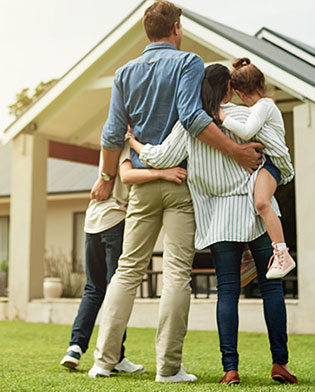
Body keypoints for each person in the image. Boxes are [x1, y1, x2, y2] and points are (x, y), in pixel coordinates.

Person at [88, 1, 262, 382]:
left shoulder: (123, 73)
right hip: (181, 181)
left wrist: (105, 176)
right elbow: (193, 116)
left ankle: (102, 361)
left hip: (143, 184)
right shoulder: (188, 63)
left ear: (148, 32)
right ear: (177, 28)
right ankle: (168, 369)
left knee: (127, 270)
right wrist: (236, 150)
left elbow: (112, 133)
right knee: (177, 273)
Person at [128, 63, 297, 385]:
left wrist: (133, 143)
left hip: (219, 220)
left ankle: (230, 369)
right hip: (256, 212)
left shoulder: (190, 123)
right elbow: (273, 151)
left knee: (228, 291)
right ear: (230, 89)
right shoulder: (247, 116)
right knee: (272, 287)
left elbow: (161, 158)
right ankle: (280, 363)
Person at [60, 144, 186, 373]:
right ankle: (114, 357)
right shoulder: (125, 144)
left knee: (93, 288)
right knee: (119, 286)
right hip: (115, 220)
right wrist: (162, 174)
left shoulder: (109, 145)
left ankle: (76, 347)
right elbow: (128, 176)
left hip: (93, 220)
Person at [219, 58, 295, 279]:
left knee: (261, 202)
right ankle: (248, 255)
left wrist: (222, 115)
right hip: (266, 162)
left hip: (273, 163)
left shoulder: (263, 106)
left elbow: (246, 131)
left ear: (239, 93)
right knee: (246, 201)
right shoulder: (259, 107)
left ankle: (282, 253)